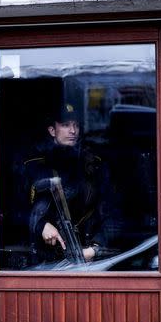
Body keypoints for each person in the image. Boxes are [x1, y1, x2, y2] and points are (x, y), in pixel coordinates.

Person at [23, 102, 110, 266]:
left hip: (87, 254)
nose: (73, 131)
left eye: (76, 125)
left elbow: (107, 210)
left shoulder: (93, 164)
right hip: (45, 258)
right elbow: (17, 209)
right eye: (65, 125)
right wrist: (41, 225)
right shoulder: (34, 166)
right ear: (52, 130)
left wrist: (96, 248)